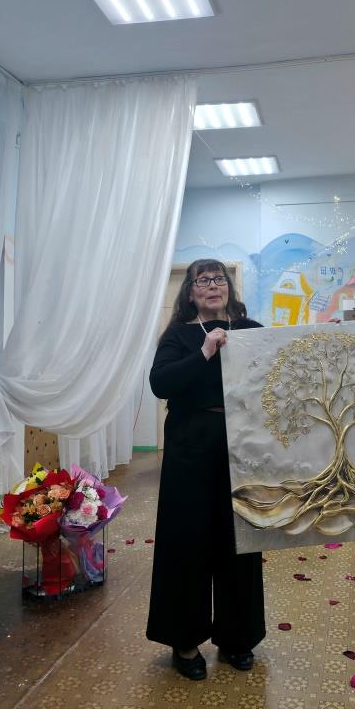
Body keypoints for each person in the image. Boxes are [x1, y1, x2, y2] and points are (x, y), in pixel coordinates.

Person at [146, 260, 266, 680]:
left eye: (219, 279)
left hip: (242, 447)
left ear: (228, 287)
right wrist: (204, 351)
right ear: (191, 292)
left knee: (240, 540)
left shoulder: (251, 330)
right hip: (190, 447)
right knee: (187, 541)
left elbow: (279, 375)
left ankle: (238, 637)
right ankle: (184, 641)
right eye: (203, 280)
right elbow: (161, 384)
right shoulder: (179, 335)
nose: (213, 286)